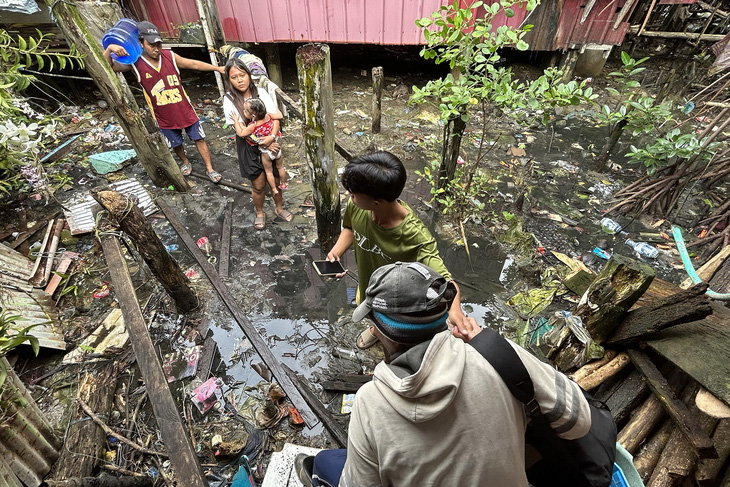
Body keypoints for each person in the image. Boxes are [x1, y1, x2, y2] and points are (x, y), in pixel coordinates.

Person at [295, 261, 592, 487]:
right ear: (443, 314)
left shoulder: (370, 403)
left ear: (378, 330)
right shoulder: (496, 354)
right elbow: (578, 423)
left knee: (323, 462)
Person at [325, 151, 466, 348]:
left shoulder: (416, 236)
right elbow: (349, 228)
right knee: (368, 309)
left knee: (392, 333)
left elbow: (445, 280)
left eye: (354, 194)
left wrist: (455, 310)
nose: (350, 196)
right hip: (368, 287)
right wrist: (336, 252)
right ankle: (376, 327)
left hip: (396, 302)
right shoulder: (357, 206)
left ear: (377, 202)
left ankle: (380, 331)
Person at [103, 21, 224, 183]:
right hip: (163, 115)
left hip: (184, 109)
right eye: (152, 45)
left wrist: (217, 69)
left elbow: (193, 63)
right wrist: (110, 48)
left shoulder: (169, 56)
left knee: (199, 138)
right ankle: (185, 162)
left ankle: (210, 169)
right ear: (141, 43)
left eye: (159, 44)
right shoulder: (135, 63)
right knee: (175, 142)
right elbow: (106, 67)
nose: (157, 49)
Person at [222, 57, 293, 230]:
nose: (239, 80)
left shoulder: (261, 92)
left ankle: (279, 208)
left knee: (275, 178)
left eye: (242, 75)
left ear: (248, 74)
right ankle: (260, 212)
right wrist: (263, 143)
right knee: (259, 184)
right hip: (249, 146)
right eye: (234, 77)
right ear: (229, 80)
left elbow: (275, 117)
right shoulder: (229, 99)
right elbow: (239, 132)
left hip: (270, 141)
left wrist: (271, 137)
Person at [232, 98, 287, 196]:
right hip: (276, 148)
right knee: (280, 167)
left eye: (245, 111)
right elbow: (279, 115)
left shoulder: (253, 125)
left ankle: (274, 189)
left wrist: (236, 121)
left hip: (266, 152)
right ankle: (283, 183)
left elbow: (241, 133)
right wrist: (274, 106)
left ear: (253, 115)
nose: (243, 112)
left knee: (269, 172)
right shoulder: (269, 116)